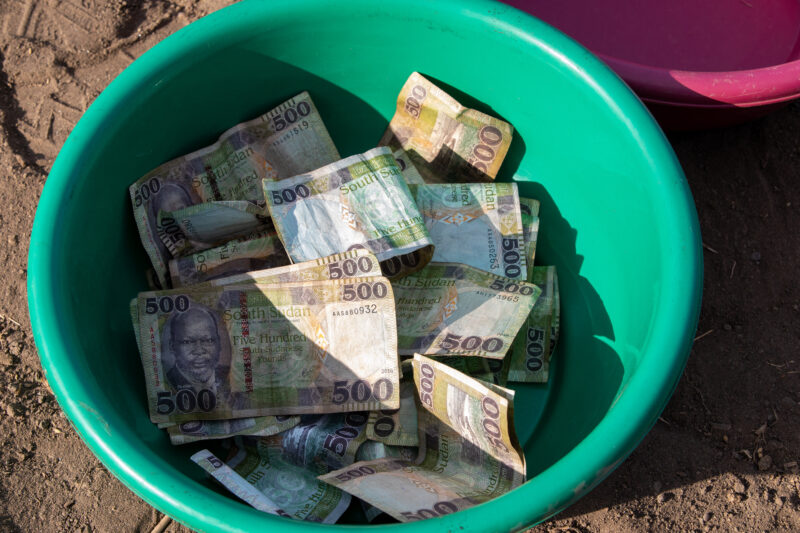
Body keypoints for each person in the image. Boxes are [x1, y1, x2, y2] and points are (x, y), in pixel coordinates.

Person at [164, 306, 244, 410]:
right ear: (172, 346)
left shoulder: (232, 375)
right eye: (187, 342)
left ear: (219, 343)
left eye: (208, 340)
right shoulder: (169, 381)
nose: (199, 351)